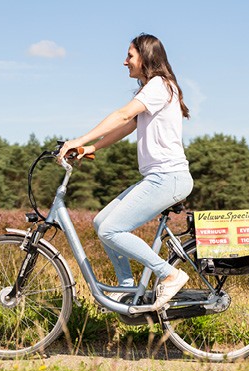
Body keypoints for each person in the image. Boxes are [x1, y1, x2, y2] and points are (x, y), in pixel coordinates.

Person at [58, 33, 193, 310]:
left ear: (146, 57)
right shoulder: (152, 89)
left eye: (130, 56)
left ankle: (169, 274)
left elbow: (122, 115)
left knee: (111, 230)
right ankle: (127, 288)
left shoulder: (159, 85)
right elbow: (126, 127)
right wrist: (91, 148)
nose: (125, 62)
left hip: (168, 177)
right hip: (159, 177)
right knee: (101, 223)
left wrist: (79, 140)